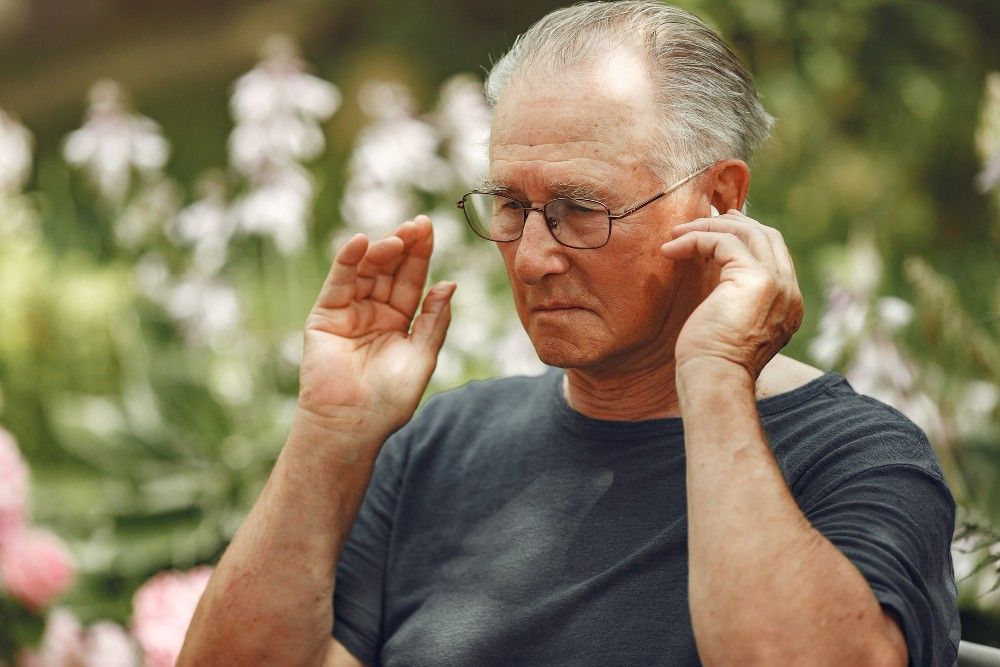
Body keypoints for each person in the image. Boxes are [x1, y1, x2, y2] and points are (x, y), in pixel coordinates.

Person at [180, 2, 959, 665]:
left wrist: (717, 374)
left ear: (721, 199)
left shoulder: (858, 456)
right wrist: (330, 435)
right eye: (510, 205)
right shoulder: (440, 446)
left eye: (582, 208)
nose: (533, 255)